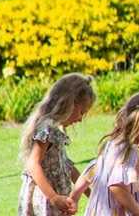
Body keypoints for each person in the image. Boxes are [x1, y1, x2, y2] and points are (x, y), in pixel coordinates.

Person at [71, 91, 139, 216]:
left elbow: (90, 172)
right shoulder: (128, 153)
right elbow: (117, 186)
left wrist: (75, 196)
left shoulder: (111, 145)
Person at [18, 73, 96, 216]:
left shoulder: (55, 130)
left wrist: (91, 194)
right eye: (81, 112)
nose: (80, 119)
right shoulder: (46, 129)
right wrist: (53, 197)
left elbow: (67, 166)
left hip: (56, 199)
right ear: (69, 103)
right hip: (45, 199)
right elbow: (33, 164)